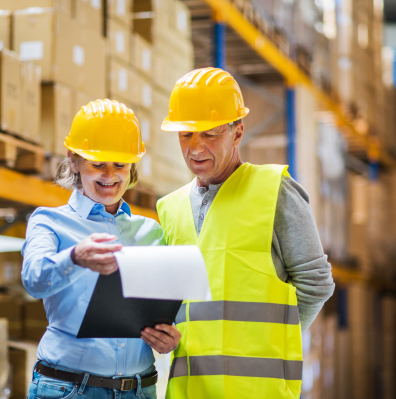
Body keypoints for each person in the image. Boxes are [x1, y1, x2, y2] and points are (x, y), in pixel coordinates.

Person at [156, 68, 335, 398]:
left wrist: (275, 341)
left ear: (237, 133)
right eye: (185, 134)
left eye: (208, 134)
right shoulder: (170, 208)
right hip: (190, 389)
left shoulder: (274, 192)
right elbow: (176, 306)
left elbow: (316, 282)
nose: (195, 148)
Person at [21, 99, 181, 399]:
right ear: (74, 160)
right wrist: (75, 257)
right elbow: (34, 280)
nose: (110, 176)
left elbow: (159, 310)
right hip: (69, 389)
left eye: (120, 164)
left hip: (138, 390)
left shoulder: (150, 232)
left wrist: (167, 338)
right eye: (98, 164)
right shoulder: (50, 221)